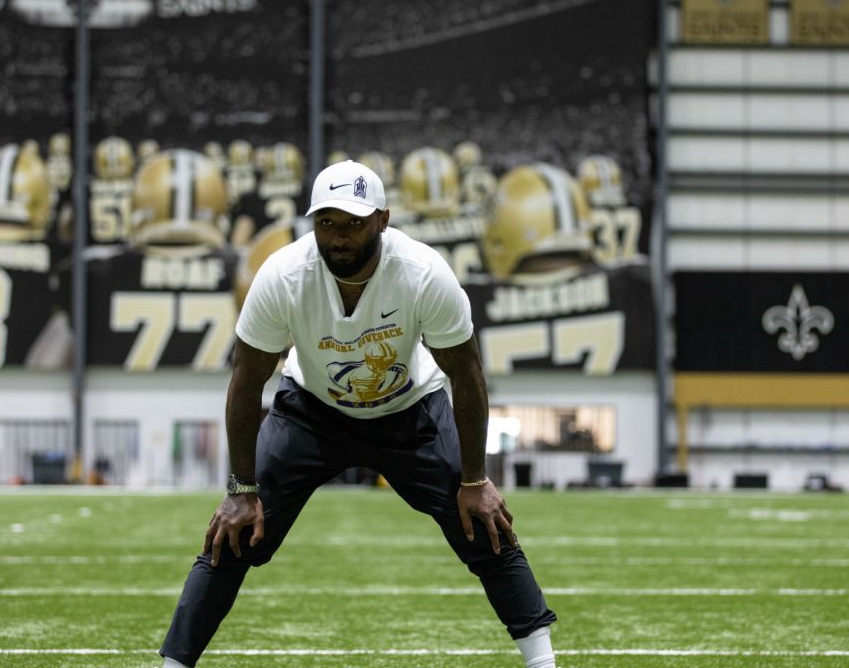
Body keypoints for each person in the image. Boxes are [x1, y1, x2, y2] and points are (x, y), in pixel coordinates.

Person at [159, 160, 559, 668]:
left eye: (353, 223)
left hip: (409, 412)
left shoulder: (423, 273)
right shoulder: (283, 275)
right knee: (234, 533)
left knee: (484, 524)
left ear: (383, 220)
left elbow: (467, 375)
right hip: (312, 412)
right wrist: (241, 489)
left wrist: (476, 479)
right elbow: (245, 383)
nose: (339, 238)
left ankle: (543, 662)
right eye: (326, 223)